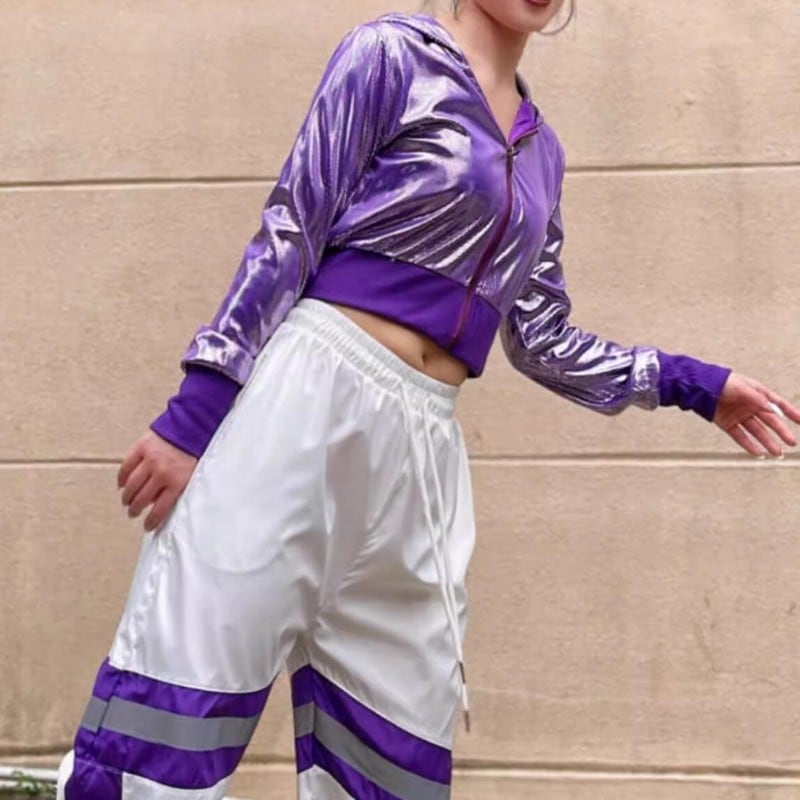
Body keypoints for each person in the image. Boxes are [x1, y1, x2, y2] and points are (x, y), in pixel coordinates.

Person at [57, 1, 800, 798]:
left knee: (394, 748)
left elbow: (542, 340)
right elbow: (292, 228)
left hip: (423, 450)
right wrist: (195, 416)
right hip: (307, 405)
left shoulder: (542, 152)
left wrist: (696, 385)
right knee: (178, 707)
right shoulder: (390, 56)